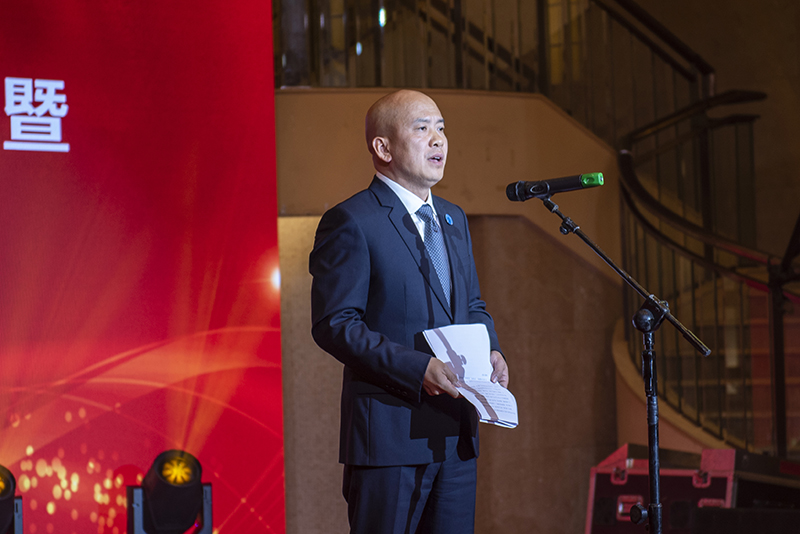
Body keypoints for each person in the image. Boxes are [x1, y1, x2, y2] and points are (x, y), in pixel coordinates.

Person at [309, 89, 509, 534]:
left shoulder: (454, 218)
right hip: (389, 438)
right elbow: (334, 324)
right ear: (383, 148)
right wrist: (418, 369)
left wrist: (491, 349)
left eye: (441, 128)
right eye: (422, 128)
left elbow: (472, 305)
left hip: (456, 437)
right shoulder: (352, 221)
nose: (438, 139)